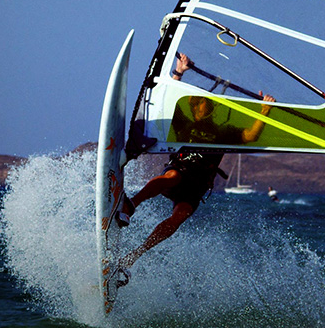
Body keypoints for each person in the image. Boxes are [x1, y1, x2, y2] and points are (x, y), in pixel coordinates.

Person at [115, 53, 274, 282]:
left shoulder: (223, 131)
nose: (200, 106)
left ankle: (133, 256)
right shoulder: (184, 124)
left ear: (210, 108)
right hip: (179, 172)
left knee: (180, 216)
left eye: (204, 103)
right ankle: (131, 205)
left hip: (196, 187)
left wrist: (264, 113)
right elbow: (169, 97)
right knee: (171, 177)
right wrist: (179, 71)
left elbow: (249, 136)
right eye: (197, 103)